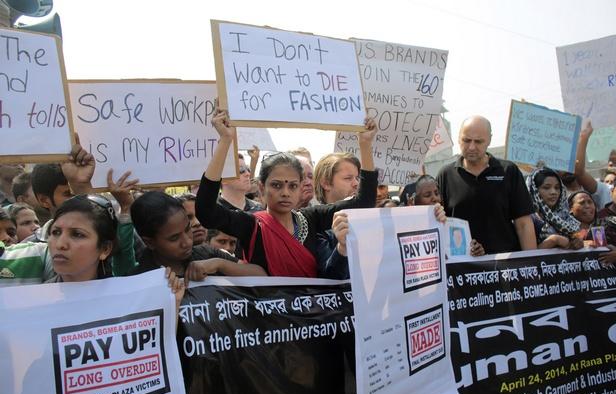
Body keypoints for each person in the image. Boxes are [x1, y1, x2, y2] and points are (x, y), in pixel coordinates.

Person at [196, 108, 377, 277]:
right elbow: (206, 212)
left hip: (314, 310)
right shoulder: (251, 225)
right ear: (261, 187)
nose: (285, 193)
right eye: (276, 185)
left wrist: (366, 145)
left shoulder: (311, 218)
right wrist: (225, 141)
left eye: (292, 186)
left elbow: (364, 204)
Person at [437, 116, 536, 254]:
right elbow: (438, 223)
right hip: (462, 267)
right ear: (458, 138)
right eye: (466, 140)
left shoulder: (508, 171)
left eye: (478, 141)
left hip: (505, 266)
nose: (471, 147)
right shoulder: (446, 175)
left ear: (489, 140)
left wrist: (531, 263)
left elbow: (524, 224)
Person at [129, 191, 266, 279]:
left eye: (187, 229)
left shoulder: (206, 254)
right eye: (174, 238)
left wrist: (220, 265)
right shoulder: (139, 282)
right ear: (150, 242)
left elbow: (261, 275)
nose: (187, 242)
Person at [46, 195, 118, 283]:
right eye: (56, 232)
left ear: (105, 249)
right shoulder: (37, 295)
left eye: (77, 234)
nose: (60, 244)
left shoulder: (127, 294)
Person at [408, 174, 485, 256]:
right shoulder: (407, 230)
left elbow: (464, 258)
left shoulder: (455, 227)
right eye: (427, 195)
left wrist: (475, 251)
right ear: (413, 202)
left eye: (437, 193)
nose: (435, 198)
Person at [527, 168, 583, 250]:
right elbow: (528, 255)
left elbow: (578, 237)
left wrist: (579, 241)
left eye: (557, 188)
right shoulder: (529, 218)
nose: (553, 192)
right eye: (546, 188)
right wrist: (554, 240)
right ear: (534, 190)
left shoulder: (565, 216)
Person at [564, 121, 611, 210]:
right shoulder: (554, 195)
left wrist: (584, 138)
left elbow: (579, 172)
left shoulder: (600, 189)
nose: (568, 169)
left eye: (589, 202)